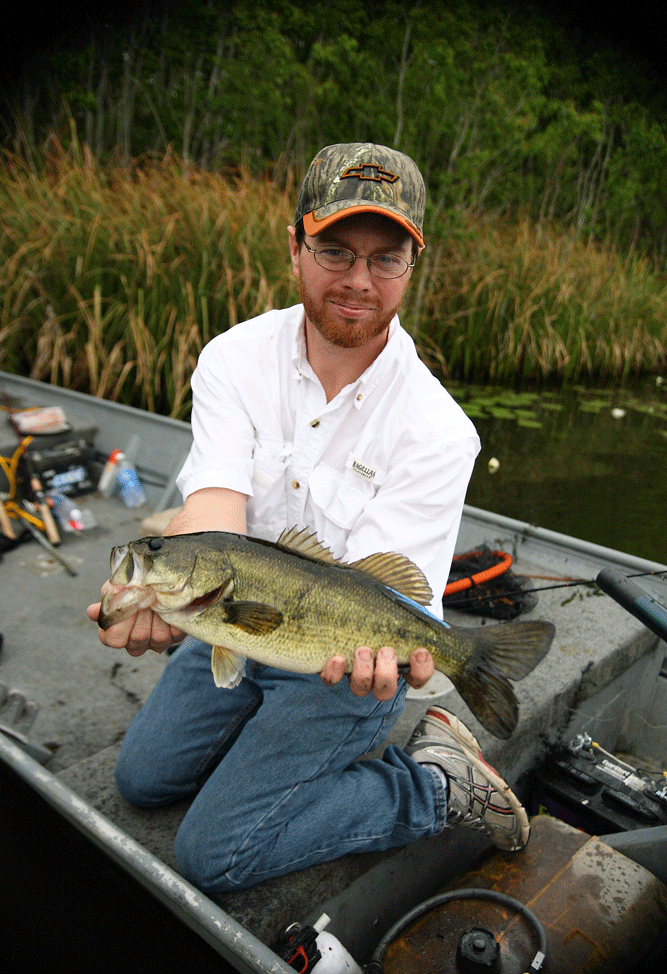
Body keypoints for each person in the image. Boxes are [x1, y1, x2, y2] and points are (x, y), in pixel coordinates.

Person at [87, 142, 529, 894]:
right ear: (295, 246)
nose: (359, 280)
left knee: (212, 855)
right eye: (335, 251)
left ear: (412, 266)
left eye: (386, 259)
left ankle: (435, 784)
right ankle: (265, 743)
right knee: (143, 780)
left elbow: (386, 590)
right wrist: (153, 593)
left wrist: (404, 655)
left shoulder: (439, 430)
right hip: (231, 618)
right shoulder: (234, 357)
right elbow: (215, 510)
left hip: (341, 666)